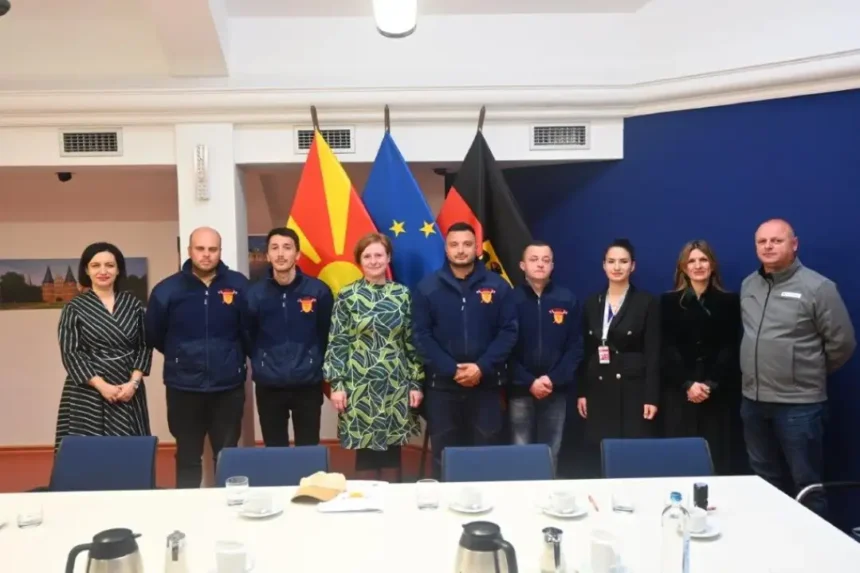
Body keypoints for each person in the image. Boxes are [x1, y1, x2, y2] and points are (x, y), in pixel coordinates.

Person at [740, 219, 855, 517]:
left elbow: (842, 343)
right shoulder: (749, 285)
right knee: (763, 479)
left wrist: (805, 372)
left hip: (799, 406)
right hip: (753, 402)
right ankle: (771, 535)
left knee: (807, 484)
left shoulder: (818, 287)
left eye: (776, 241)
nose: (768, 246)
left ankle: (815, 544)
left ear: (794, 244)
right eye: (762, 241)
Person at [145, 227, 250, 488]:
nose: (206, 255)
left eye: (212, 249)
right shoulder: (167, 290)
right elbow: (155, 334)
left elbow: (250, 330)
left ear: (220, 251)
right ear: (189, 250)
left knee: (227, 456)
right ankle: (187, 507)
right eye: (200, 249)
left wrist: (232, 357)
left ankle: (228, 506)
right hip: (183, 387)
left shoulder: (239, 286)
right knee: (188, 456)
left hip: (228, 387)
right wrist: (182, 356)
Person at [412, 222, 518, 479]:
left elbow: (508, 332)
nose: (461, 250)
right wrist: (452, 369)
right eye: (454, 245)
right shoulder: (427, 287)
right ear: (446, 249)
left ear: (477, 248)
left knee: (485, 457)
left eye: (467, 244)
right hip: (442, 387)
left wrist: (481, 367)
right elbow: (421, 335)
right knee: (444, 457)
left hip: (486, 385)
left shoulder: (499, 286)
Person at [322, 233, 423, 481]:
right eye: (367, 256)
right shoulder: (347, 296)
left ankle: (393, 499)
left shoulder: (402, 294)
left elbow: (412, 342)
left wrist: (416, 382)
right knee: (365, 450)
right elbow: (338, 341)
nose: (374, 261)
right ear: (359, 261)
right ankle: (367, 500)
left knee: (392, 450)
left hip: (395, 383)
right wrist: (337, 384)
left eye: (379, 255)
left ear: (388, 258)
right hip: (359, 385)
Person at [55, 242, 152, 450]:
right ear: (86, 270)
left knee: (130, 451)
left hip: (128, 387)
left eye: (109, 265)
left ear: (118, 270)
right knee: (89, 452)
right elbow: (71, 353)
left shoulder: (133, 304)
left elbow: (145, 346)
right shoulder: (74, 308)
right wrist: (101, 386)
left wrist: (134, 383)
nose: (103, 271)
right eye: (95, 265)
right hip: (88, 388)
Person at [576, 239, 660, 475]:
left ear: (633, 266)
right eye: (611, 261)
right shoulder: (592, 303)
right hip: (599, 389)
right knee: (600, 455)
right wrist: (582, 392)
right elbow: (585, 351)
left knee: (632, 457)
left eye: (623, 262)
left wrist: (651, 397)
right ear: (603, 265)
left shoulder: (646, 302)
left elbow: (653, 352)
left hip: (633, 391)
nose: (617, 267)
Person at [246, 227, 333, 447]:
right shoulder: (254, 294)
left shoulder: (318, 291)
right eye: (274, 248)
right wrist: (262, 361)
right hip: (269, 384)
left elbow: (326, 333)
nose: (280, 254)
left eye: (287, 248)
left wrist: (312, 361)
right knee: (275, 450)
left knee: (308, 448)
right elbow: (247, 335)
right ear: (267, 255)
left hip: (308, 383)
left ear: (297, 254)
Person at [660, 240, 741, 475]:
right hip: (680, 392)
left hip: (716, 393)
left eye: (703, 260)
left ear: (712, 265)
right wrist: (687, 384)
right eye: (692, 261)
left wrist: (710, 384)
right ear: (683, 268)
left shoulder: (729, 301)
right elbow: (666, 348)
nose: (698, 265)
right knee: (679, 460)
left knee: (716, 459)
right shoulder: (667, 302)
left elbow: (730, 346)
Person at [506, 241, 582, 470]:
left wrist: (552, 378)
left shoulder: (567, 299)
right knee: (520, 451)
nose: (540, 264)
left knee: (551, 452)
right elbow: (503, 347)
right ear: (522, 265)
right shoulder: (510, 299)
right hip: (520, 388)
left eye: (545, 260)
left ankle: (548, 491)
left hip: (554, 389)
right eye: (534, 259)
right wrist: (529, 381)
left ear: (552, 266)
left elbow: (576, 346)